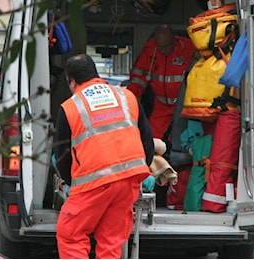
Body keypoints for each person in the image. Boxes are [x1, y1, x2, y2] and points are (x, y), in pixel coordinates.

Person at [54, 54, 154, 259]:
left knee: (71, 235)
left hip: (92, 182)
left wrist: (72, 183)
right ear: (96, 74)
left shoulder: (71, 107)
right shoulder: (127, 96)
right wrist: (138, 176)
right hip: (127, 181)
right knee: (111, 242)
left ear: (71, 81)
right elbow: (147, 141)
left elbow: (61, 155)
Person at [127, 25, 196, 139]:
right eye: (160, 46)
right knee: (153, 138)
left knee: (180, 137)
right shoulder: (150, 50)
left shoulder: (188, 47)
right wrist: (130, 99)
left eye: (166, 46)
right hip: (160, 105)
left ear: (174, 39)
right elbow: (138, 78)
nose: (163, 50)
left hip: (181, 105)